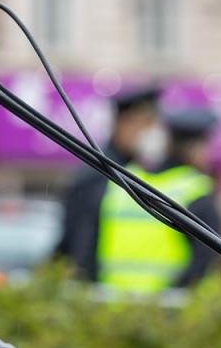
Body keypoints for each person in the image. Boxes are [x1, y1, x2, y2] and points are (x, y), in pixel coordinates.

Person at [96, 107, 221, 292]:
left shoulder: (122, 182)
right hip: (168, 306)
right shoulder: (196, 190)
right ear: (195, 148)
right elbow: (204, 262)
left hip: (109, 300)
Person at [55, 85, 162, 281]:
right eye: (146, 124)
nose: (152, 132)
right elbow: (82, 246)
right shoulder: (98, 173)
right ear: (124, 123)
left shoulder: (132, 170)